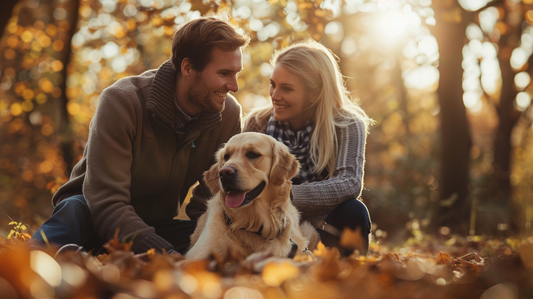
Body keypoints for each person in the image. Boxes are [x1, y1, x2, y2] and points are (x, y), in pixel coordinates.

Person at [31, 16, 250, 255]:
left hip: (155, 225)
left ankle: (89, 254)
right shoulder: (121, 101)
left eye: (236, 73)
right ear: (188, 68)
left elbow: (211, 204)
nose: (234, 86)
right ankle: (28, 261)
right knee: (73, 209)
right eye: (224, 73)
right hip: (93, 213)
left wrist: (208, 244)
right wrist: (164, 254)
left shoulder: (228, 114)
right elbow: (107, 202)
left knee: (223, 241)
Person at [243, 39, 373, 255]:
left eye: (287, 88)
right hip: (271, 226)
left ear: (314, 94)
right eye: (273, 84)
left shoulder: (347, 124)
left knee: (354, 210)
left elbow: (349, 183)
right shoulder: (258, 123)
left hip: (324, 226)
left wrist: (284, 194)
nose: (275, 95)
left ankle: (346, 275)